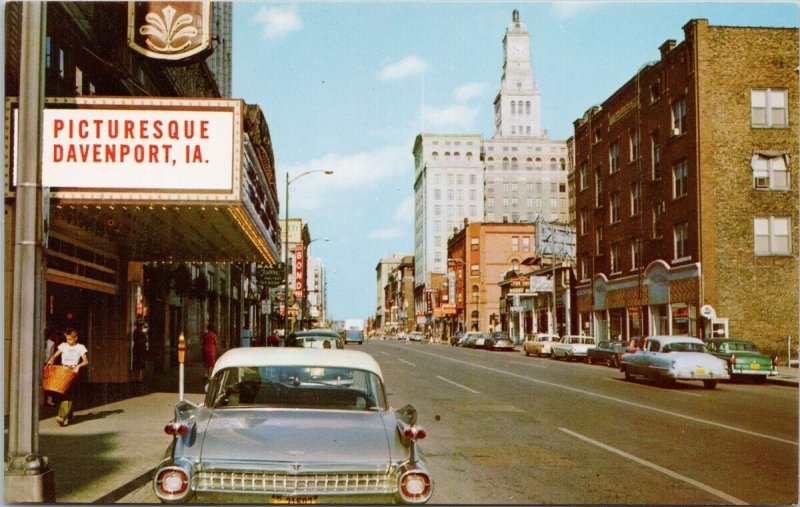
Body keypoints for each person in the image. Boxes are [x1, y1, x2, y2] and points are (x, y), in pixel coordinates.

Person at [45, 328, 89, 427]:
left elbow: (85, 361)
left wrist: (78, 366)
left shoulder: (80, 347)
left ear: (75, 338)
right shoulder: (63, 346)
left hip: (73, 371)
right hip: (63, 370)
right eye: (67, 339)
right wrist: (51, 359)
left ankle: (61, 416)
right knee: (63, 392)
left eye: (70, 339)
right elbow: (55, 355)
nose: (68, 341)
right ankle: (70, 415)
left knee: (68, 393)